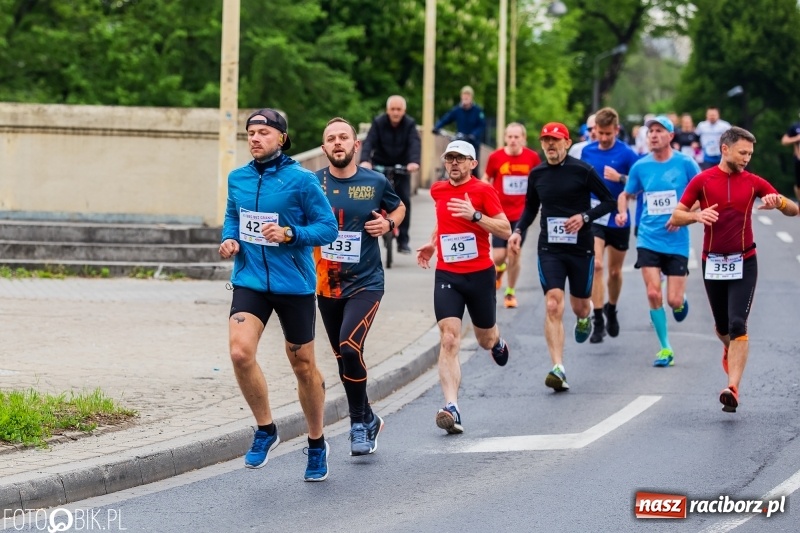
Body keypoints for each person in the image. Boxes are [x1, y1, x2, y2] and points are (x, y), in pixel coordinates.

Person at [219, 108, 338, 481]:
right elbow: (232, 216)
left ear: (282, 138)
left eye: (263, 133)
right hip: (250, 280)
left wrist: (290, 234)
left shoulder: (301, 181)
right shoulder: (237, 178)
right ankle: (266, 429)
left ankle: (316, 442)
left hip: (294, 285)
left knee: (302, 364)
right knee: (240, 352)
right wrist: (229, 239)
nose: (254, 138)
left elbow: (327, 228)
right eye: (250, 132)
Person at [669, 126, 798, 413]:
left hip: (744, 260)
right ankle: (729, 348)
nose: (747, 158)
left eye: (750, 154)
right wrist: (696, 215)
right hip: (712, 261)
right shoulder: (703, 181)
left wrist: (779, 203)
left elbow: (794, 210)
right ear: (724, 149)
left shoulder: (753, 182)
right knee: (723, 327)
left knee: (738, 324)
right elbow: (676, 215)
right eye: (742, 152)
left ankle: (732, 387)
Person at [315, 117, 405, 456]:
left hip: (366, 282)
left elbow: (399, 208)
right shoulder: (311, 183)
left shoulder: (375, 181)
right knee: (342, 358)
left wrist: (388, 223)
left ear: (356, 145)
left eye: (343, 137)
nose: (337, 142)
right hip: (325, 285)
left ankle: (356, 424)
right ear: (324, 148)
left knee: (350, 348)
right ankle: (369, 417)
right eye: (330, 139)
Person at [509, 122, 615, 392]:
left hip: (580, 249)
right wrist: (519, 231)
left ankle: (585, 317)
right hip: (550, 249)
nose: (551, 145)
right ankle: (558, 367)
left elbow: (608, 201)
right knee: (553, 305)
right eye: (546, 140)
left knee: (580, 305)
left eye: (556, 140)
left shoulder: (583, 170)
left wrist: (584, 217)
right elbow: (531, 207)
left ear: (567, 143)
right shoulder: (538, 174)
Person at [416, 140, 511, 434]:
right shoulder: (438, 190)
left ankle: (496, 342)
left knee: (484, 339)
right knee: (449, 339)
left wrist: (476, 216)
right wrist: (433, 245)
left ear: (472, 163)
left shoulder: (484, 191)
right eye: (450, 159)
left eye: (460, 159)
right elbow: (443, 223)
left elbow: (505, 229)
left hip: (480, 274)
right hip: (448, 275)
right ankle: (452, 408)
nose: (454, 163)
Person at [616, 116, 700, 367]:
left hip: (676, 241)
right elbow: (626, 194)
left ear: (671, 136)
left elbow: (703, 195)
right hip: (648, 237)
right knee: (653, 292)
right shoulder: (641, 167)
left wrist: (682, 216)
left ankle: (681, 301)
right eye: (650, 131)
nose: (653, 135)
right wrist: (622, 212)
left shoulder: (686, 164)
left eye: (659, 131)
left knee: (673, 300)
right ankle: (665, 348)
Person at [579, 107, 640, 343]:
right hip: (595, 216)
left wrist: (621, 179)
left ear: (616, 130)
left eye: (608, 134)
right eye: (599, 133)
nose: (603, 138)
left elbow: (639, 184)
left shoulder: (627, 154)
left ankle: (611, 309)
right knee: (597, 266)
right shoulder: (587, 151)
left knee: (615, 272)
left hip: (619, 217)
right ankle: (598, 320)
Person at [482, 122, 542, 308]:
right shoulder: (496, 157)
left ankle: (510, 293)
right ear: (505, 138)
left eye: (517, 137)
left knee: (514, 252)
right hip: (499, 214)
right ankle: (499, 270)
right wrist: (484, 192)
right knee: (499, 256)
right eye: (510, 136)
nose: (513, 140)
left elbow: (540, 180)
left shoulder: (532, 158)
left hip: (522, 215)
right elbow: (486, 177)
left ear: (523, 139)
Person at [360, 95, 421, 254]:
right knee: (373, 201)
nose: (395, 112)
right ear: (387, 110)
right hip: (380, 166)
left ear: (404, 111)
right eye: (392, 109)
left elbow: (414, 143)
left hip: (402, 167)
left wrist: (413, 162)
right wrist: (365, 160)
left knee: (404, 201)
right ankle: (372, 235)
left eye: (399, 109)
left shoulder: (409, 124)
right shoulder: (379, 122)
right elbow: (369, 142)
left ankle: (403, 241)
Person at [433, 85, 486, 176]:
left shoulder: (477, 111)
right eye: (464, 95)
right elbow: (447, 118)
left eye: (468, 96)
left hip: (472, 141)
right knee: (455, 160)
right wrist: (437, 127)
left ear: (471, 97)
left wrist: (473, 134)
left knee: (474, 166)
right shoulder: (457, 110)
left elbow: (482, 125)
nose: (465, 98)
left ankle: (476, 185)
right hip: (460, 140)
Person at [780, 112, 800, 204]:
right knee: (798, 185)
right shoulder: (795, 127)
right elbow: (784, 141)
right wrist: (796, 138)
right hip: (798, 158)